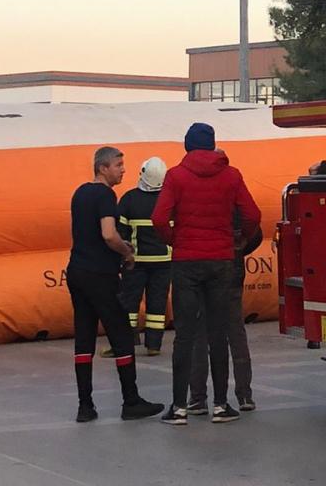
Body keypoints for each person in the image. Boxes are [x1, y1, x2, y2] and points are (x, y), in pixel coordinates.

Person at [153, 123, 261, 426]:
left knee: (186, 335)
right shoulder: (231, 175)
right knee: (219, 333)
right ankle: (222, 404)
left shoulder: (175, 176)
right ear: (213, 145)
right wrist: (238, 240)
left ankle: (179, 407)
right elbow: (252, 214)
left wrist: (175, 240)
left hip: (187, 262)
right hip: (221, 262)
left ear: (187, 146)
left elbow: (159, 217)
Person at [67, 146, 164, 423]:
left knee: (84, 337)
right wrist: (127, 252)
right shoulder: (106, 195)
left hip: (77, 271)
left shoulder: (80, 193)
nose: (123, 170)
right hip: (100, 274)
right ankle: (131, 401)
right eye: (118, 165)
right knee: (121, 334)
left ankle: (85, 406)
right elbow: (109, 234)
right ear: (103, 168)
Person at [188, 208, 261, 415]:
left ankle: (198, 398)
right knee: (236, 333)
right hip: (231, 269)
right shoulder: (232, 189)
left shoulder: (190, 188)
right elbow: (254, 221)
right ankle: (245, 395)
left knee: (199, 335)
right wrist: (240, 246)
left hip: (199, 270)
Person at [110, 156, 171, 357]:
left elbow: (120, 231)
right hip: (164, 263)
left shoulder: (129, 199)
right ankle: (153, 345)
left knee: (129, 303)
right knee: (157, 304)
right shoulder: (169, 200)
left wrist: (123, 256)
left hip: (135, 262)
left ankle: (127, 341)